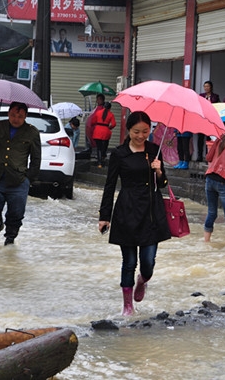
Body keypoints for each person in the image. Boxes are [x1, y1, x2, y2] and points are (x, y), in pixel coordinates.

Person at [98, 111, 171, 316]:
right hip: (127, 211)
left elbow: (163, 184)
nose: (141, 136)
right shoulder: (119, 154)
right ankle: (127, 306)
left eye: (145, 132)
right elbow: (110, 185)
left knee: (148, 263)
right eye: (136, 131)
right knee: (129, 261)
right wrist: (105, 216)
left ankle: (143, 280)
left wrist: (159, 171)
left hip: (151, 211)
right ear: (128, 130)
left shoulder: (155, 150)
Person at [0, 102, 41, 246]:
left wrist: (28, 179)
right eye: (13, 115)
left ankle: (10, 239)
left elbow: (36, 158)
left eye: (20, 116)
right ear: (8, 113)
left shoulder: (32, 132)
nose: (16, 119)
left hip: (19, 180)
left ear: (25, 116)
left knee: (16, 214)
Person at [197, 81, 220, 161]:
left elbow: (216, 107)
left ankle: (208, 156)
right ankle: (199, 155)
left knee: (209, 139)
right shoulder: (201, 96)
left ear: (211, 87)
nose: (206, 88)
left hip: (210, 120)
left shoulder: (215, 96)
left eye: (207, 86)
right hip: (202, 120)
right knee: (200, 139)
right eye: (205, 86)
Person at [92, 102, 116, 168]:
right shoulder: (111, 114)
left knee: (99, 148)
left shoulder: (98, 112)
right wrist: (109, 127)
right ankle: (103, 159)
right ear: (110, 108)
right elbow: (113, 124)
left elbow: (93, 121)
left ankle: (99, 163)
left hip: (97, 131)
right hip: (106, 132)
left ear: (103, 107)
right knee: (104, 147)